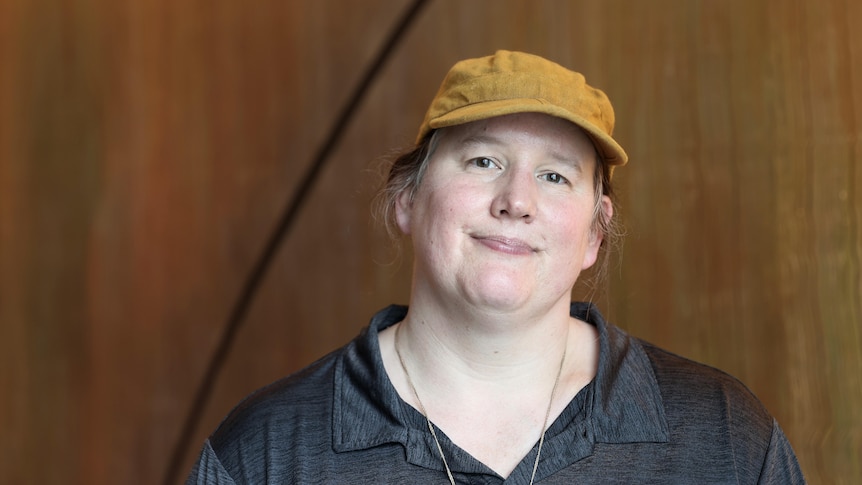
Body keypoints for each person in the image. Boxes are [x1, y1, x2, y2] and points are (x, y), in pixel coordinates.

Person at [186, 50, 805, 484]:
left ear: (593, 233)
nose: (516, 200)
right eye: (482, 161)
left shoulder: (724, 438)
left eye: (555, 175)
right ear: (408, 200)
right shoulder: (266, 452)